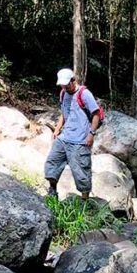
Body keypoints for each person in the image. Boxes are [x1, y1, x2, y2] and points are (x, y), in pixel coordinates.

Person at [45, 68, 100, 200]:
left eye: (67, 84)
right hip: (64, 137)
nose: (65, 87)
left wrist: (91, 134)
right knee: (52, 163)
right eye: (62, 85)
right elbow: (64, 113)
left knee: (81, 172)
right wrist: (58, 129)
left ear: (73, 80)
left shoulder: (85, 94)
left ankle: (85, 200)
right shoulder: (63, 93)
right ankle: (52, 190)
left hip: (80, 140)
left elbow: (96, 114)